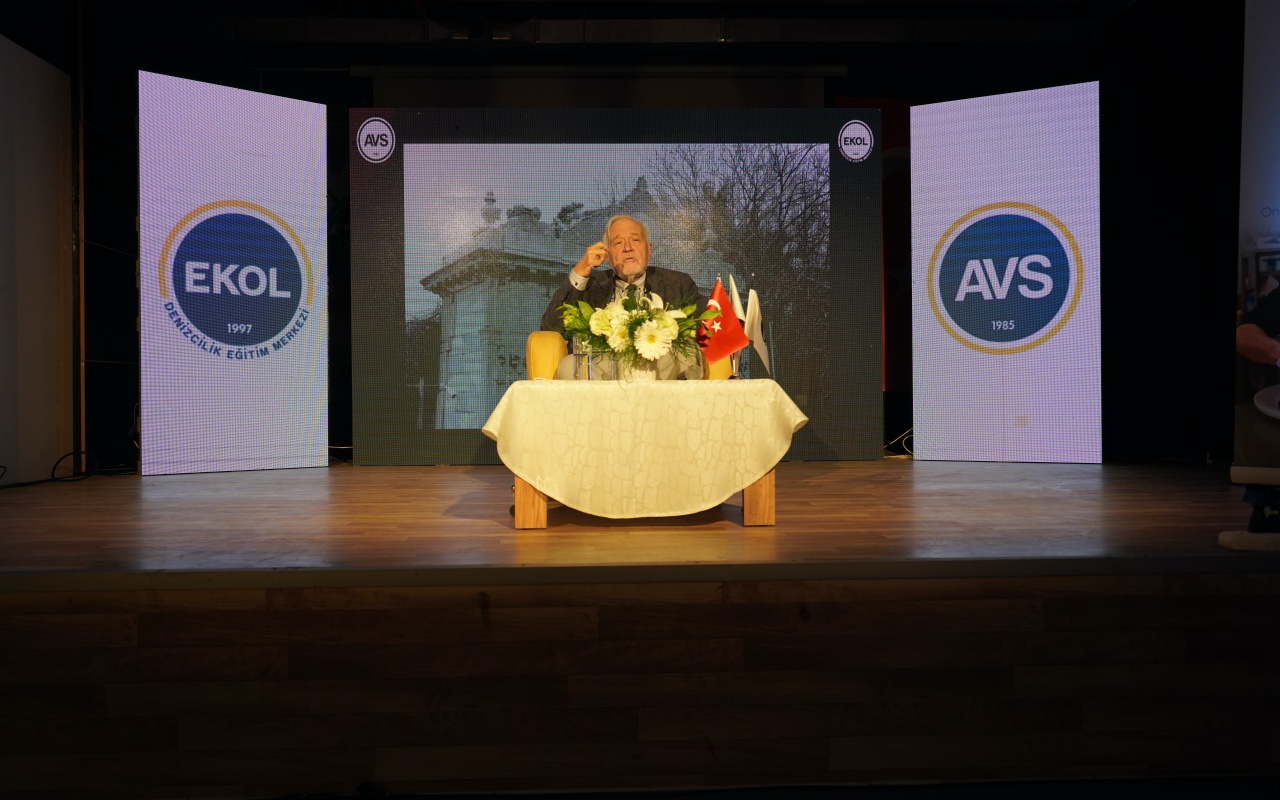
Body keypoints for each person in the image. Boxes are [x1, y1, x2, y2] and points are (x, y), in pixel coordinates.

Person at [540, 214, 706, 379]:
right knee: (569, 365)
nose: (628, 248)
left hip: (662, 367)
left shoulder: (677, 283)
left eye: (635, 240)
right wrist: (580, 272)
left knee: (688, 353)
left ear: (649, 250)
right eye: (618, 242)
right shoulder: (590, 285)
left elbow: (711, 323)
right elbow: (551, 327)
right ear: (607, 256)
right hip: (605, 371)